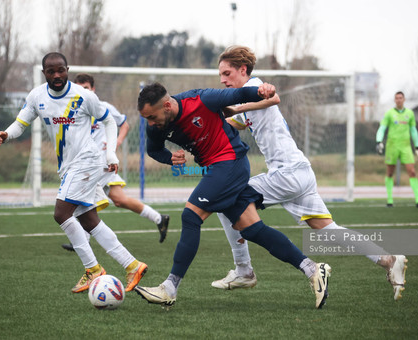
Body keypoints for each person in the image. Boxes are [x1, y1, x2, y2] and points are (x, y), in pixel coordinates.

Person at [211, 45, 407, 301]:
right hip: (300, 172)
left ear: (243, 70)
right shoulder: (245, 101)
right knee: (328, 228)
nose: (223, 80)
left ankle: (244, 271)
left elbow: (271, 96)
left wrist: (236, 108)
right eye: (221, 76)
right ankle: (389, 260)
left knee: (225, 199)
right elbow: (233, 121)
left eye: (227, 73)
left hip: (287, 173)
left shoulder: (256, 86)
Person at [134, 82, 332, 310]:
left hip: (230, 163)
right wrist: (170, 158)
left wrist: (260, 91)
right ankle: (313, 269)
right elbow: (153, 149)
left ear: (167, 106)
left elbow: (236, 94)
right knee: (250, 228)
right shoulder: (155, 127)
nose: (150, 123)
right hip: (216, 170)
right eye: (146, 119)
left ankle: (169, 288)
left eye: (152, 116)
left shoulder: (200, 100)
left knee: (190, 216)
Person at [0, 52, 147, 293]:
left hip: (87, 161)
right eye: (51, 71)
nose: (56, 75)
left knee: (61, 213)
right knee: (88, 220)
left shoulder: (84, 96)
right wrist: (6, 133)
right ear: (44, 73)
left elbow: (109, 121)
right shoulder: (37, 96)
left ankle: (93, 270)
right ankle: (132, 265)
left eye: (61, 70)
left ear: (67, 69)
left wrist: (111, 154)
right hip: (67, 166)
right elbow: (21, 123)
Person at [60, 73, 169, 252]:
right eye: (79, 89)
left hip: (102, 163)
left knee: (81, 198)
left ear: (93, 89)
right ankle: (159, 218)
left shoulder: (103, 107)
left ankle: (83, 240)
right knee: (119, 200)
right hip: (87, 163)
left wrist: (117, 142)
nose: (82, 92)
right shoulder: (73, 111)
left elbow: (124, 124)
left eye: (85, 88)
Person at [376, 91, 418, 208]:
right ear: (394, 100)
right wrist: (379, 141)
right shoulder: (389, 113)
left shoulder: (410, 113)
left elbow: (413, 130)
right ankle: (390, 200)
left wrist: (417, 146)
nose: (399, 100)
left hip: (406, 146)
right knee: (390, 172)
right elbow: (382, 128)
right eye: (396, 98)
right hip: (392, 146)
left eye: (400, 98)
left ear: (404, 99)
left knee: (412, 171)